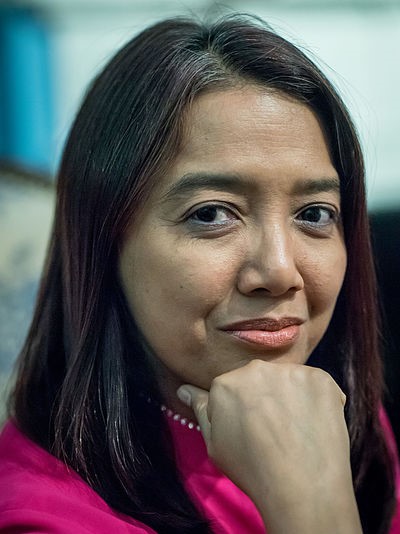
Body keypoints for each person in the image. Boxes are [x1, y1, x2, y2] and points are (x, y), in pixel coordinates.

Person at [0, 14, 399, 534]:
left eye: (314, 214)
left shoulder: (326, 412)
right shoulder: (43, 516)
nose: (279, 272)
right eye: (211, 214)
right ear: (104, 243)